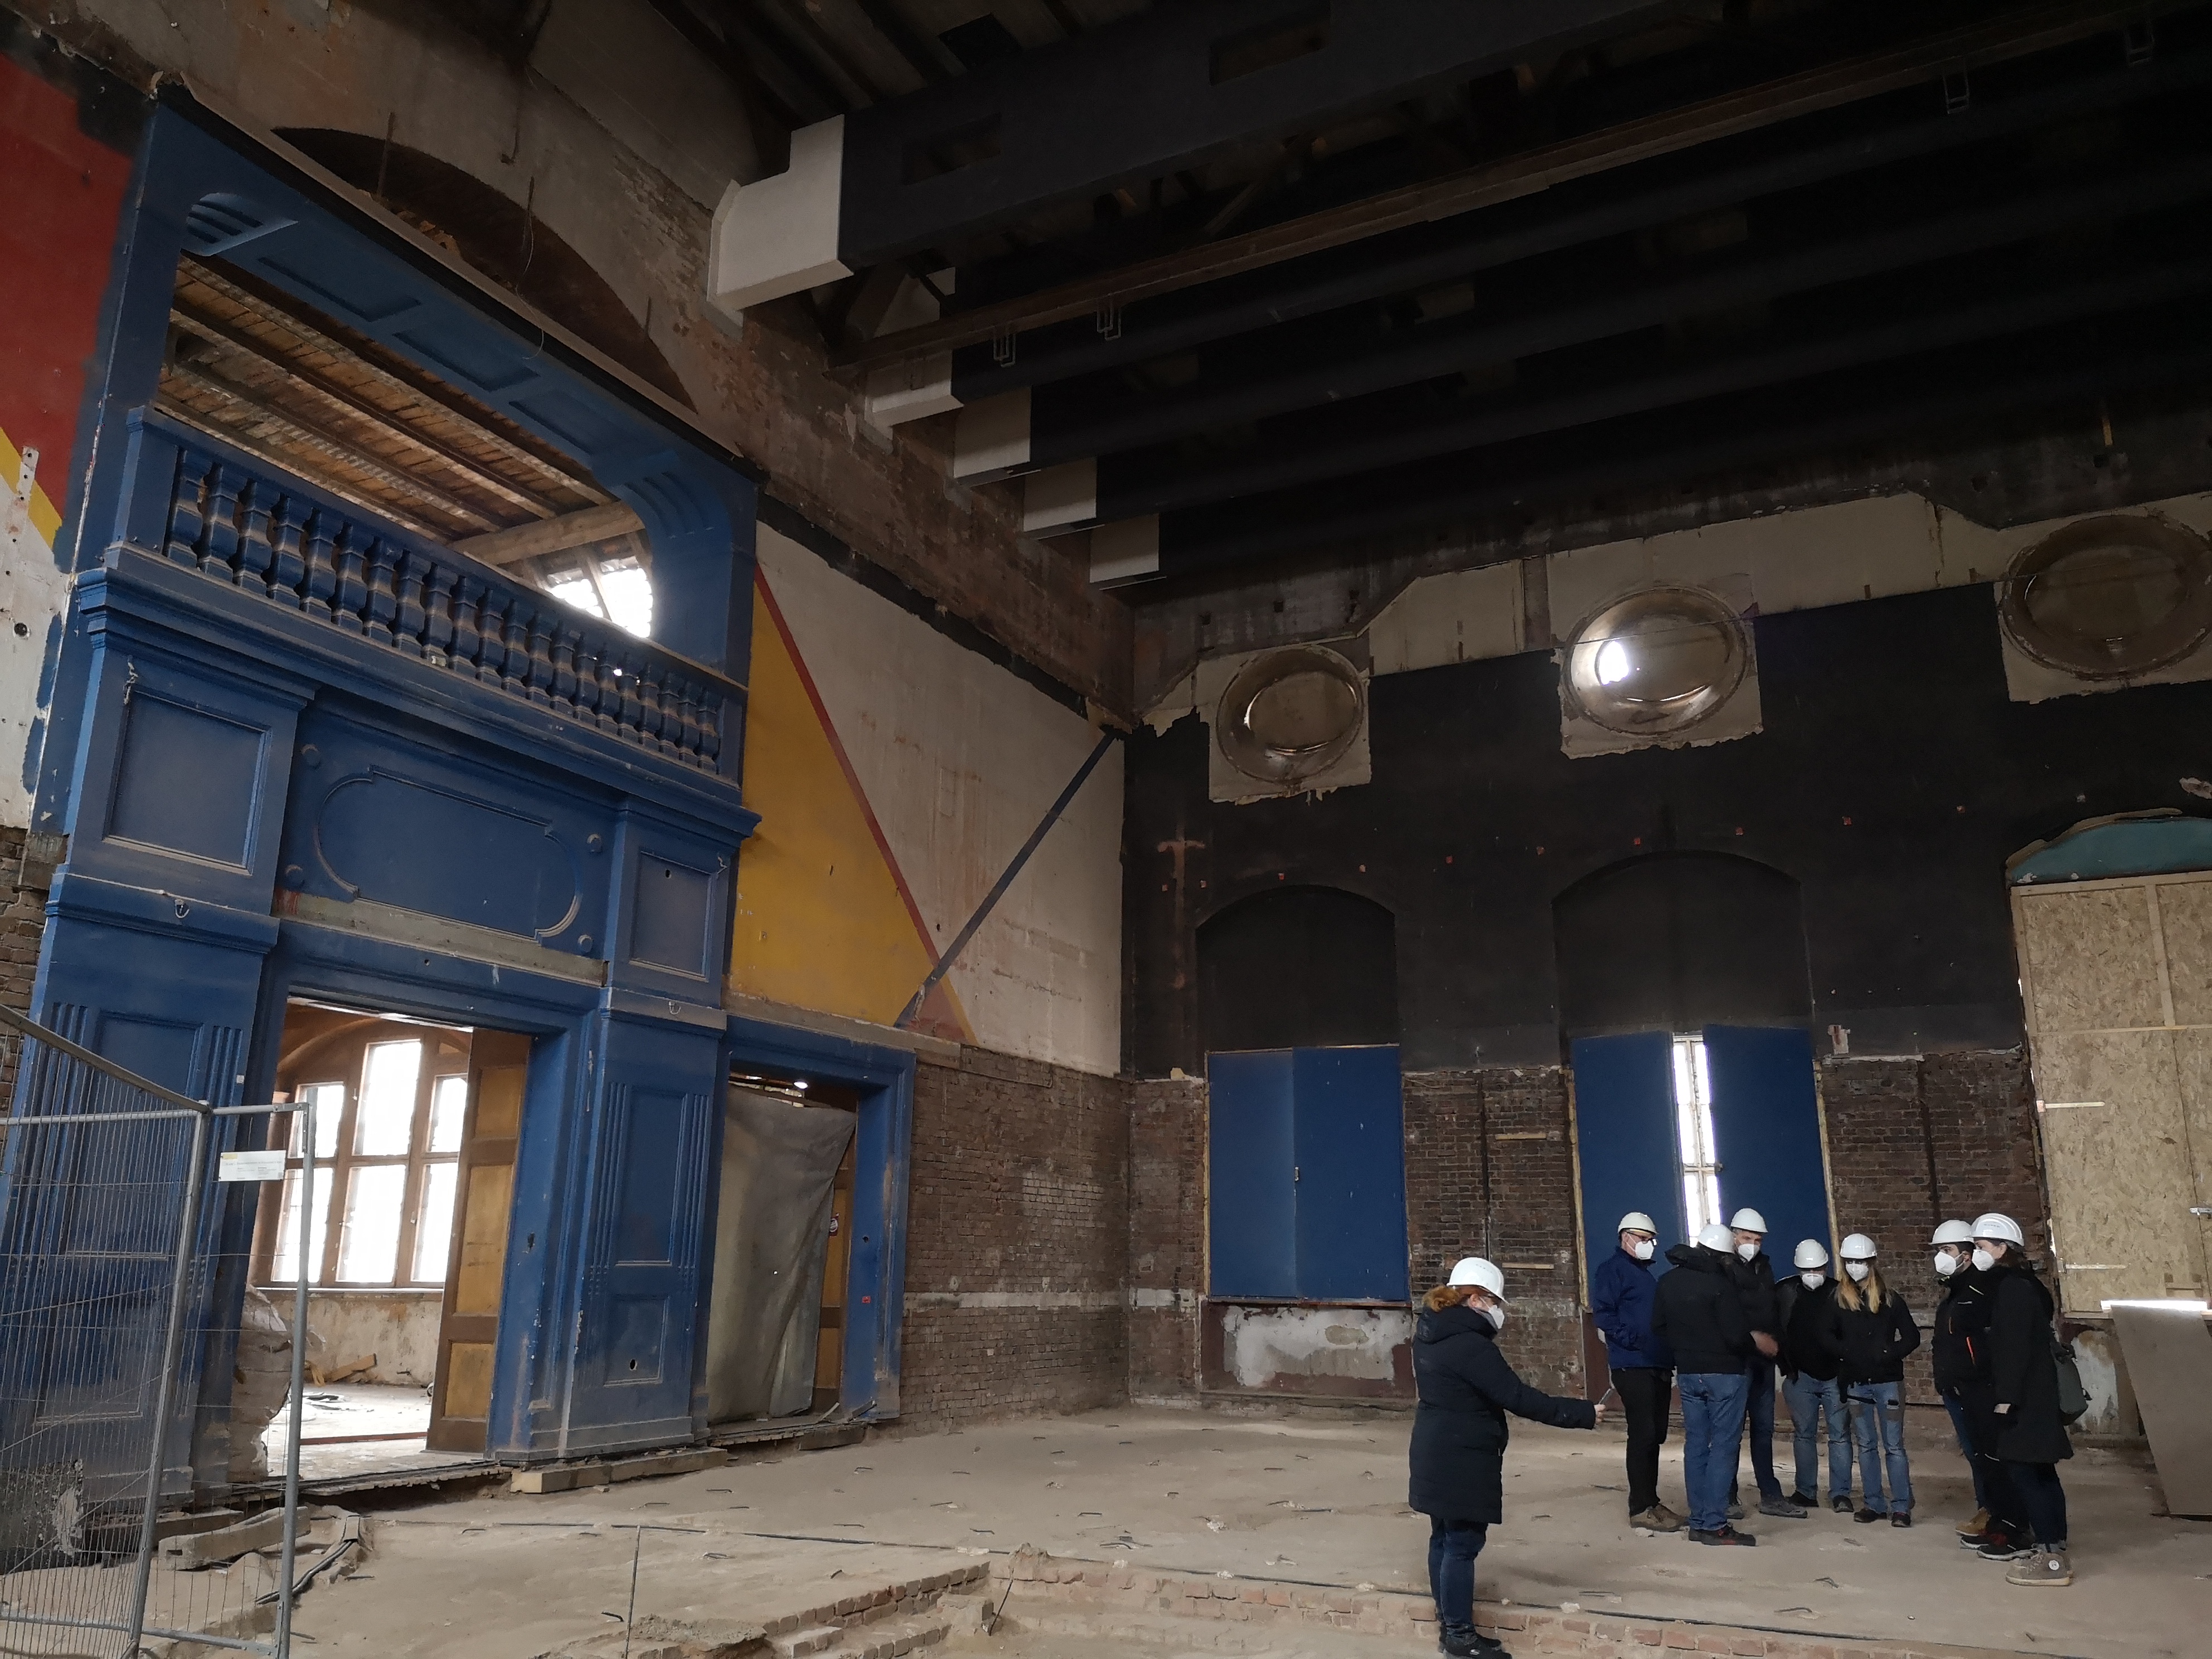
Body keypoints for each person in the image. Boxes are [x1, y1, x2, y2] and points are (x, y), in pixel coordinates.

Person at [1410, 1256, 1603, 1656]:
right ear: (1476, 1299)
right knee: (1462, 1544)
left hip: (1434, 1447)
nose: (1498, 1310)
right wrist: (1582, 1413)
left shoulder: (1430, 1332)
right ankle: (1460, 1636)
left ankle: (1449, 1624)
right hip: (1463, 1456)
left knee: (1443, 1537)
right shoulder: (1470, 1346)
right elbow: (1518, 1397)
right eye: (1495, 1302)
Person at [1971, 1212, 2075, 1588]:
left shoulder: (2013, 1290)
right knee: (2042, 1472)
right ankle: (2054, 1545)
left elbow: (2014, 1349)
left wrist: (2006, 1399)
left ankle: (2050, 1558)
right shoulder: (2026, 1284)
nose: (1977, 1253)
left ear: (2002, 1249)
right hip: (2038, 1396)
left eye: (1981, 1246)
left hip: (2026, 1400)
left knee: (2025, 1474)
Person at [1651, 1223, 1756, 1546]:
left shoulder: (1668, 1281)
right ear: (1723, 1255)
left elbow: (1659, 1326)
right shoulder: (1721, 1285)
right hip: (1725, 1375)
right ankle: (1714, 1524)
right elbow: (1737, 1335)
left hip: (1688, 1373)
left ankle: (1699, 1520)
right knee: (1723, 1447)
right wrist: (1753, 1348)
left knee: (1696, 1445)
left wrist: (1686, 1350)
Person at [1590, 1210, 1681, 1532]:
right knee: (1643, 1434)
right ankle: (1640, 1507)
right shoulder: (1612, 1270)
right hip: (1633, 1364)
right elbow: (1604, 1314)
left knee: (1654, 1435)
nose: (1648, 1244)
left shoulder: (1645, 1275)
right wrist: (1633, 1341)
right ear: (1625, 1238)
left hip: (1655, 1364)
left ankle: (1651, 1501)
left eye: (1651, 1240)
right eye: (1642, 1239)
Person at [1823, 1233, 1919, 1526]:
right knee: (1866, 1445)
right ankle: (1874, 1504)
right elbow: (1825, 1335)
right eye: (1850, 1261)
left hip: (1888, 1382)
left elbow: (1912, 1337)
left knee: (1894, 1446)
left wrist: (1889, 1354)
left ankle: (1901, 1507)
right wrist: (1847, 1354)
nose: (1855, 1266)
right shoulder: (1838, 1299)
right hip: (1856, 1384)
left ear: (1872, 1262)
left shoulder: (1890, 1299)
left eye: (1860, 1261)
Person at [1723, 1207, 1802, 1520]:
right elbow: (1727, 1316)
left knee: (1764, 1429)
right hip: (1737, 1361)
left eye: (1757, 1240)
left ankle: (1770, 1494)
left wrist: (1779, 1350)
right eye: (1747, 1238)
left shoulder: (1764, 1268)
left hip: (1763, 1363)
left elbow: (1771, 1312)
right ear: (1734, 1237)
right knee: (1730, 1430)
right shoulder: (1724, 1269)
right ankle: (1727, 1495)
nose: (1753, 1245)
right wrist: (1753, 1339)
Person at [1929, 1217, 2002, 1539]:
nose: (1940, 1257)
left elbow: (1982, 1343)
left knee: (1988, 1454)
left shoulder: (1979, 1292)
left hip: (1975, 1389)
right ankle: (1988, 1510)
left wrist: (1972, 1379)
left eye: (1946, 1250)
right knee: (1975, 1454)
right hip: (1955, 1389)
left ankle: (1998, 1515)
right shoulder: (1954, 1294)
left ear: (1967, 1255)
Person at [1776, 1239, 1849, 1511]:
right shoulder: (1785, 1292)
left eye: (1818, 1269)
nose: (1813, 1274)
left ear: (1826, 1267)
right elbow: (1776, 1328)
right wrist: (1786, 1366)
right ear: (1798, 1269)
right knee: (1804, 1435)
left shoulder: (1841, 1293)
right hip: (1800, 1377)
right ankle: (1806, 1492)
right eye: (1808, 1270)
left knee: (1839, 1436)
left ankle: (1841, 1494)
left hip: (1836, 1378)